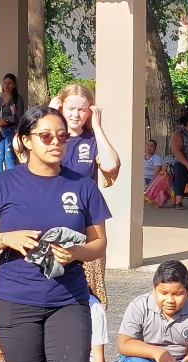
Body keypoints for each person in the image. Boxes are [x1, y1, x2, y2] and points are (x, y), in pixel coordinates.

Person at [0, 106, 111, 362]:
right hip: (16, 300)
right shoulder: (3, 183)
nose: (55, 142)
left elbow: (99, 243)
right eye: (45, 136)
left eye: (62, 136)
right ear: (25, 141)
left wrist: (77, 253)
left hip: (68, 300)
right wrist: (6, 238)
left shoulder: (82, 185)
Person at [53, 83, 120, 311]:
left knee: (89, 286)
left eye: (82, 109)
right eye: (70, 108)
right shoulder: (50, 139)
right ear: (62, 106)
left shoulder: (91, 140)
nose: (76, 114)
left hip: (86, 221)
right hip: (52, 215)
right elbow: (21, 149)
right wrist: (48, 114)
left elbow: (110, 166)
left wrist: (97, 127)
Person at [0, 73, 25, 174]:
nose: (6, 85)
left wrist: (4, 120)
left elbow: (19, 117)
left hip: (11, 131)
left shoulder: (18, 99)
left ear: (14, 85)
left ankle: (11, 184)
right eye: (5, 82)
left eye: (10, 83)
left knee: (10, 158)